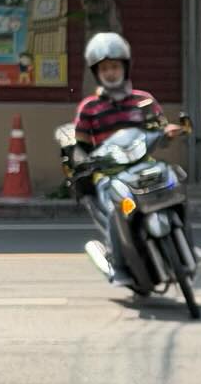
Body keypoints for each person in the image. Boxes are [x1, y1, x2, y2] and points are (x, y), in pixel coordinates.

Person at [73, 31, 193, 285]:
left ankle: (187, 248)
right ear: (97, 72)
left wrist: (168, 132)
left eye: (115, 66)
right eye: (105, 68)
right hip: (109, 175)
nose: (111, 73)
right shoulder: (89, 108)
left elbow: (159, 128)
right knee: (120, 209)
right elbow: (80, 146)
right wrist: (81, 161)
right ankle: (120, 264)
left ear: (125, 67)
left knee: (175, 185)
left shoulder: (143, 100)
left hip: (144, 167)